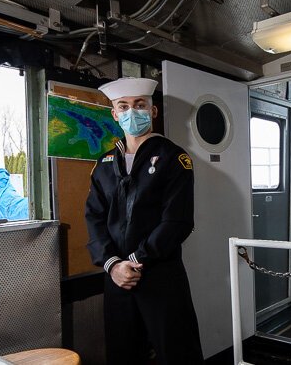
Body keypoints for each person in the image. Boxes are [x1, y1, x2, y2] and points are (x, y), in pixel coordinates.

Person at [84, 77, 203, 364]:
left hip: (160, 274)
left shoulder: (173, 158)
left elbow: (177, 221)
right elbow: (94, 219)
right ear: (114, 114)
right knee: (123, 351)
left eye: (139, 105)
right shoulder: (103, 165)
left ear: (153, 110)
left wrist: (136, 259)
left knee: (176, 351)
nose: (131, 112)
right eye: (123, 106)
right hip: (117, 277)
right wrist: (113, 264)